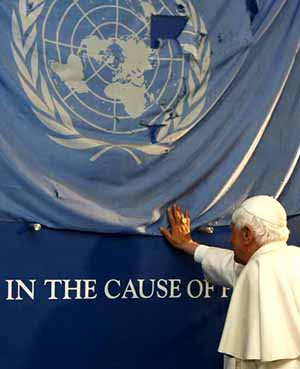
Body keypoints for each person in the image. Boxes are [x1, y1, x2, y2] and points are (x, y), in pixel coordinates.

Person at [160, 196, 300, 369]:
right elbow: (231, 266)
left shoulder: (256, 270)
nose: (230, 241)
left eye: (232, 232)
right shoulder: (291, 258)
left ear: (247, 234)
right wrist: (189, 245)